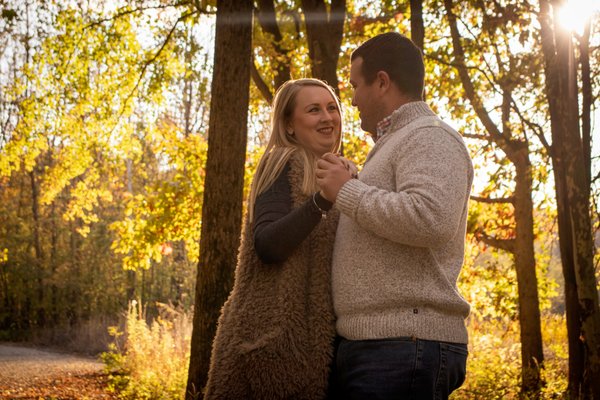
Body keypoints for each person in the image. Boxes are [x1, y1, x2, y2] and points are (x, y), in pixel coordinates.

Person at [316, 32, 474, 399]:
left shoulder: (430, 136)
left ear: (382, 82)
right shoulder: (393, 144)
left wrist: (347, 191)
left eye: (356, 85)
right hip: (378, 346)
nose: (351, 99)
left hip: (405, 346)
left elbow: (431, 217)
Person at [205, 78, 351, 399]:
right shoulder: (282, 161)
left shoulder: (339, 173)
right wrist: (322, 200)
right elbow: (268, 244)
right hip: (268, 345)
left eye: (331, 108)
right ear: (288, 124)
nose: (327, 117)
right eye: (313, 110)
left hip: (314, 348)